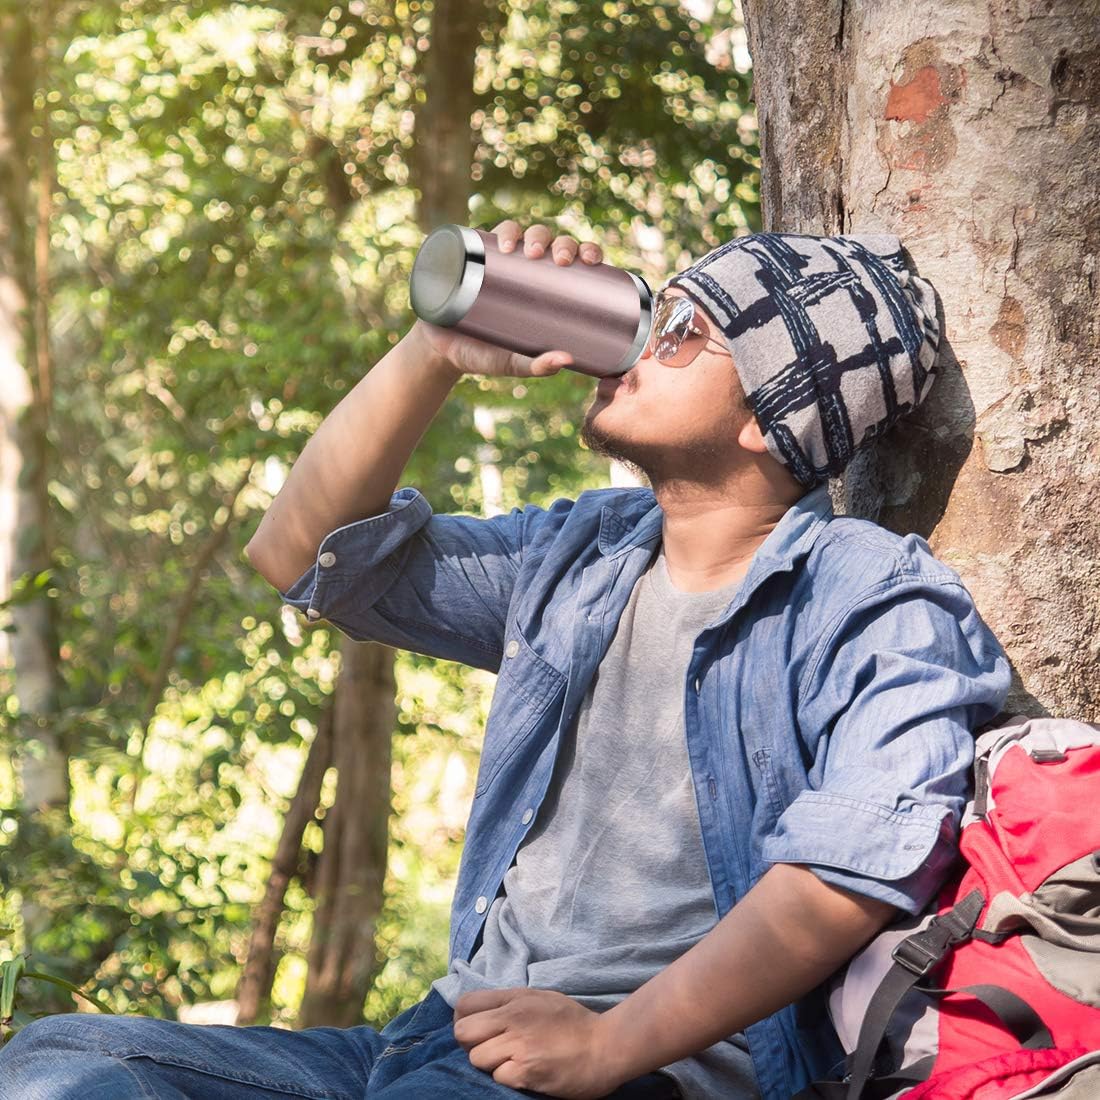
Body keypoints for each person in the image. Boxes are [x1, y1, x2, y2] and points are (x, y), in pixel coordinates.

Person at [0, 221, 1011, 1100]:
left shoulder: (870, 596)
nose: (637, 340)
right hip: (439, 1036)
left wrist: (610, 1043)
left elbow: (845, 872)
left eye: (681, 331)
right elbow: (301, 557)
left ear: (768, 414)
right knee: (64, 1058)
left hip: (636, 1069)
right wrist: (433, 350)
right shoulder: (581, 553)